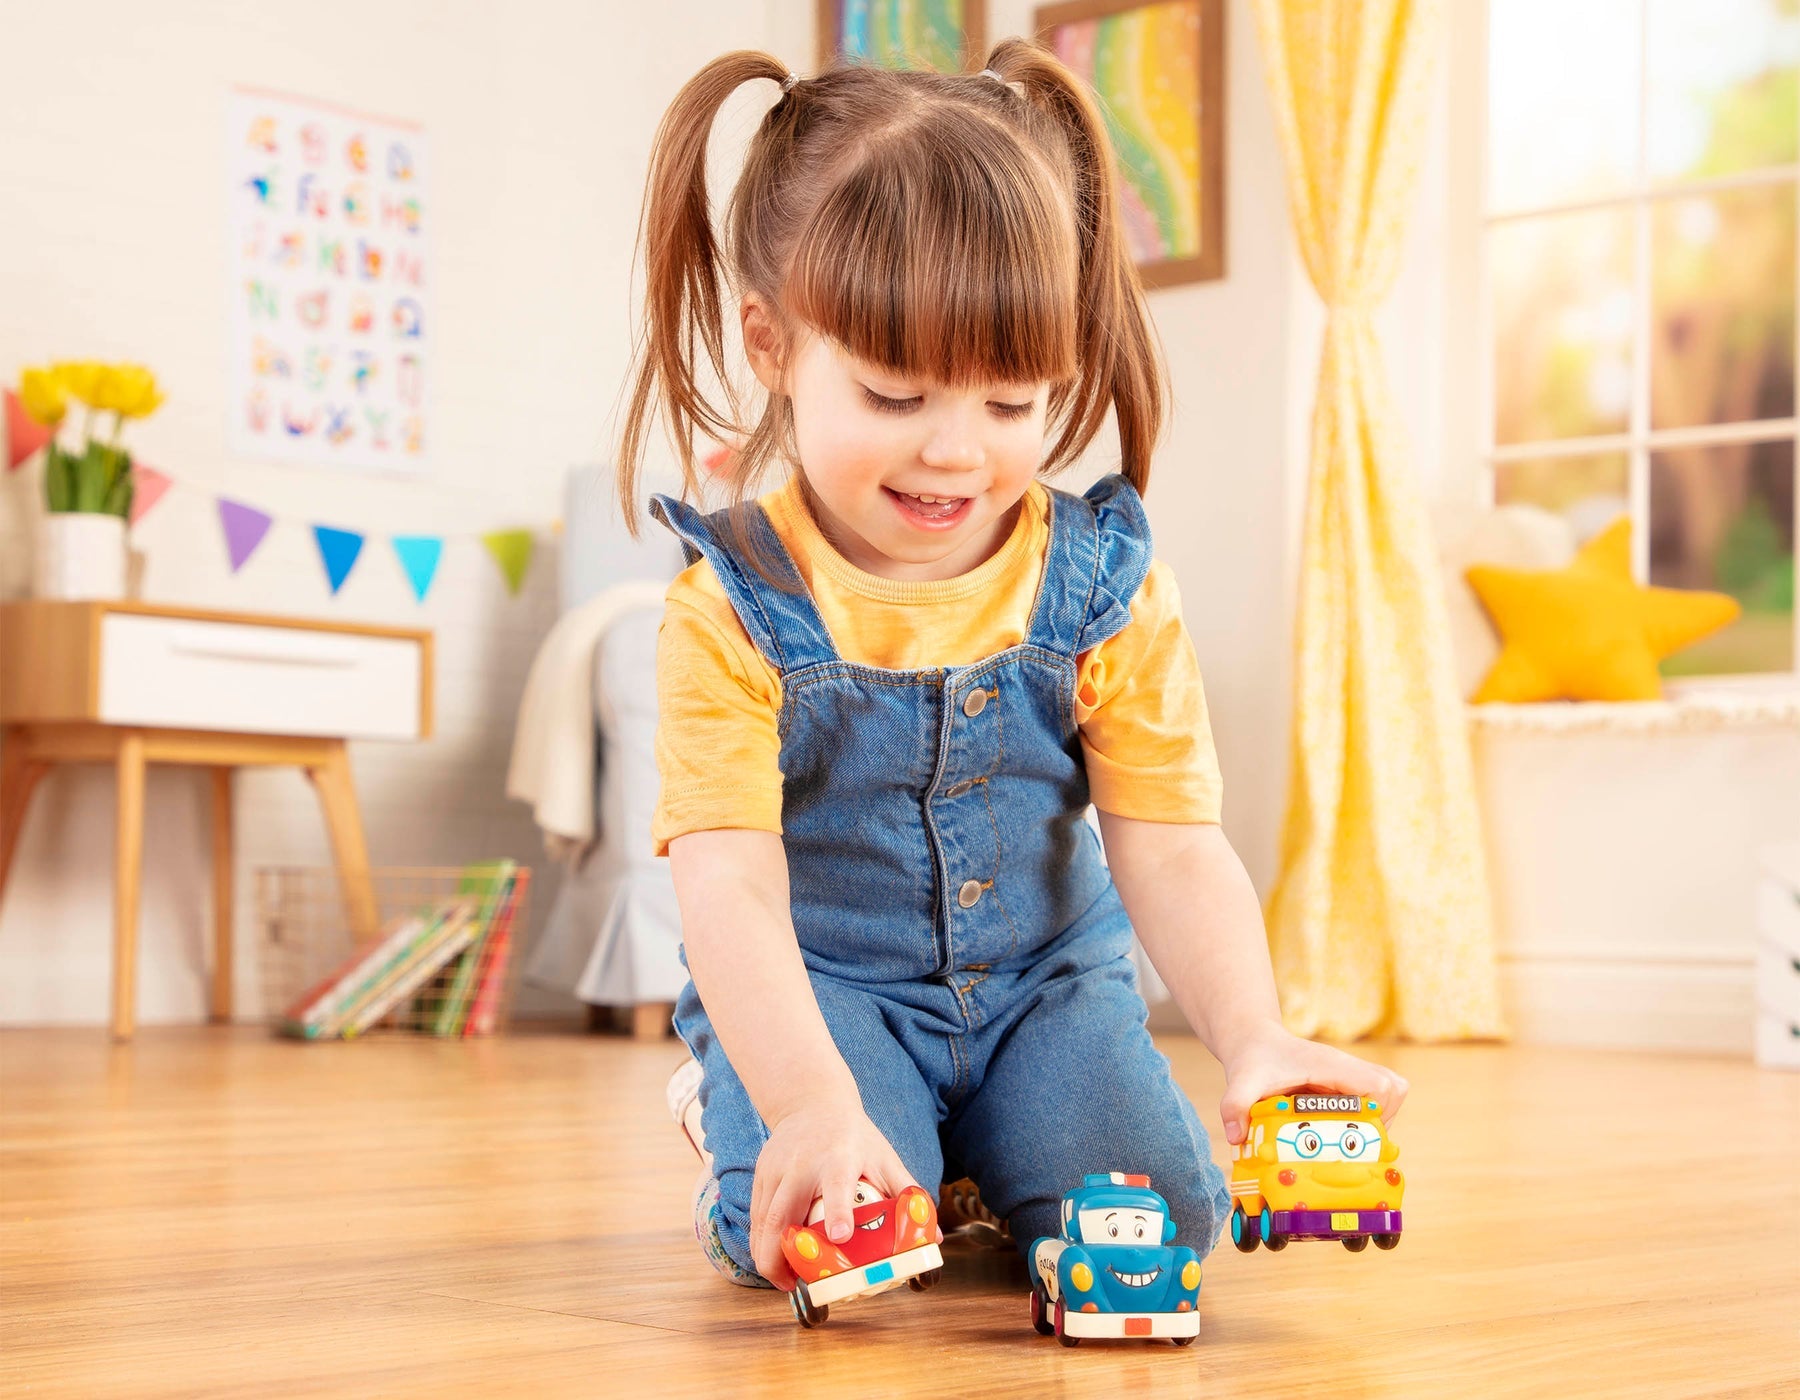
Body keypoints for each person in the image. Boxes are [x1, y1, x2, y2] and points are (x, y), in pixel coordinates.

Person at [616, 39, 1409, 1292]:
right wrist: (811, 1102)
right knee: (827, 1239)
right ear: (770, 343)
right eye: (895, 395)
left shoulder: (1104, 586)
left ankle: (975, 1147)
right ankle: (751, 1108)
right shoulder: (730, 611)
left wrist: (1253, 1033)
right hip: (827, 991)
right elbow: (730, 891)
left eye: (1010, 403)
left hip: (1047, 985)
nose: (955, 451)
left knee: (1165, 1220)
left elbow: (1172, 847)